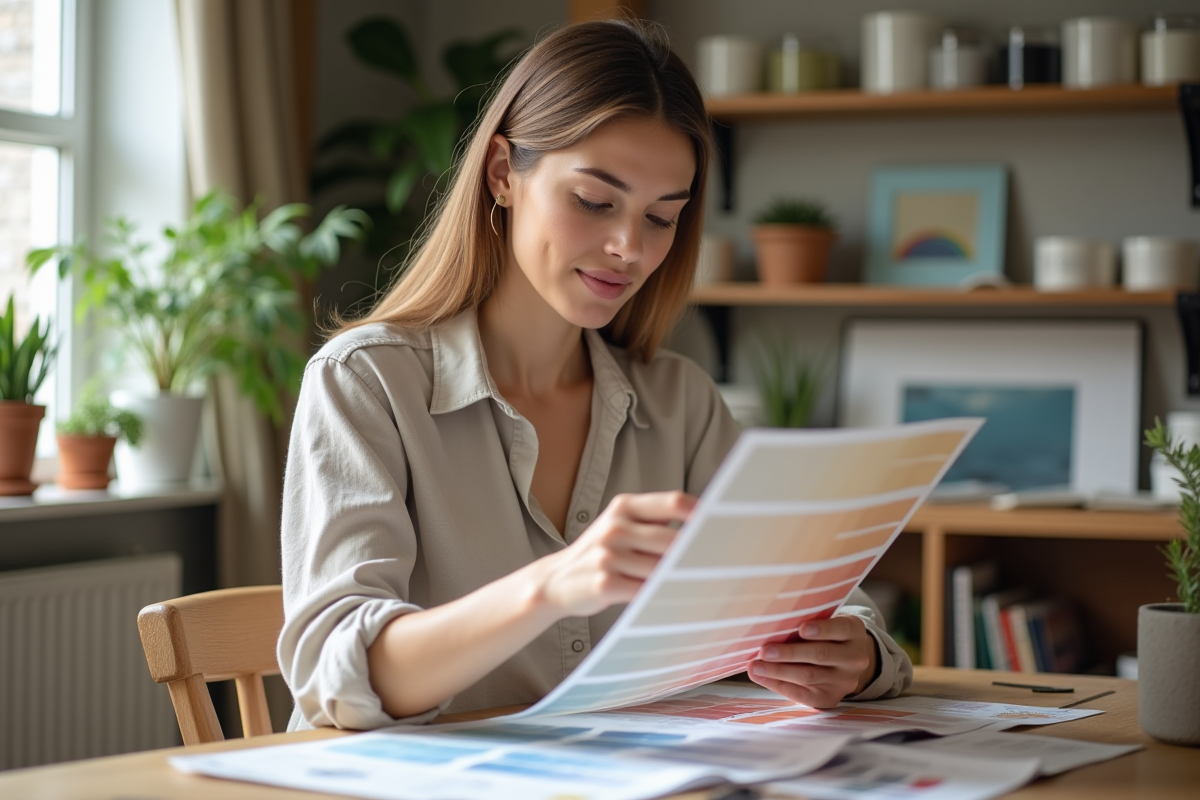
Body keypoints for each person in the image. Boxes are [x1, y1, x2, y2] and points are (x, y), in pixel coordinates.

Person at [279, 19, 912, 732]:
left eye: (662, 217)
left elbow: (825, 599)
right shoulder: (364, 384)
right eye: (594, 201)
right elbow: (339, 675)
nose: (628, 248)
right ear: (500, 174)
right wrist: (553, 584)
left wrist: (852, 654)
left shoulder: (681, 403)